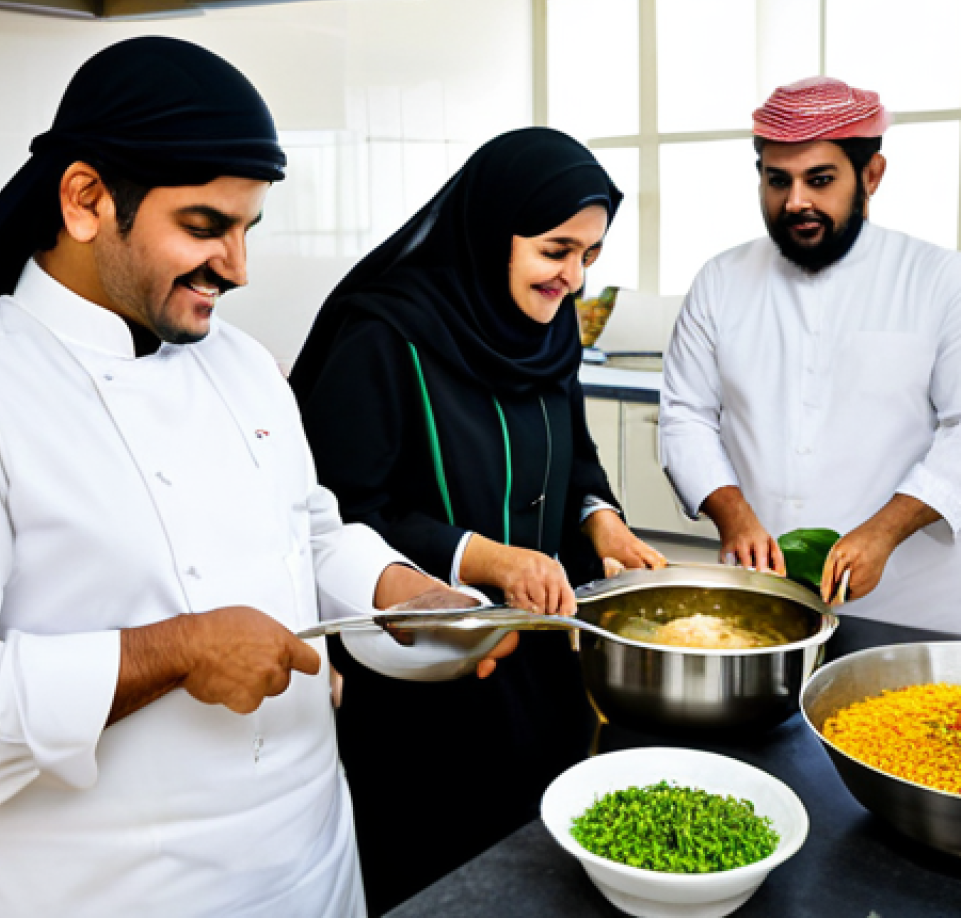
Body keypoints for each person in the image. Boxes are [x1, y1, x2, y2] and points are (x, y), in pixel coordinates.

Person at [0, 36, 510, 918]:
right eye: (206, 227)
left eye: (248, 230)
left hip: (313, 868)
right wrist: (172, 653)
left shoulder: (243, 363)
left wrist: (397, 586)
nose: (238, 268)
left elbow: (309, 529)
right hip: (103, 894)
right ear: (87, 200)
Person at [290, 127, 666, 913]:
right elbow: (340, 516)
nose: (573, 277)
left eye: (589, 255)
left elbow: (578, 459)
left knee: (540, 863)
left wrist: (598, 517)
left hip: (536, 667)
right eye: (556, 250)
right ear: (495, 230)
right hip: (424, 677)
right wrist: (484, 558)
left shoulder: (550, 328)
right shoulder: (382, 338)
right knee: (443, 880)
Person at [660, 76, 961, 633]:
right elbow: (686, 415)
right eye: (778, 181)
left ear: (871, 176)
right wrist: (733, 516)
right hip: (765, 595)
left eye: (819, 180)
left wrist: (884, 531)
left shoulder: (940, 279)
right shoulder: (720, 281)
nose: (796, 201)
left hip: (911, 607)